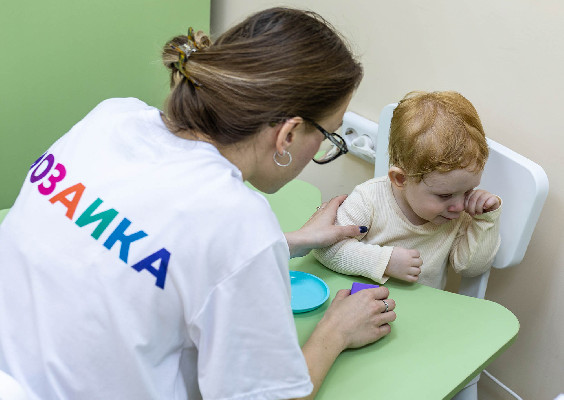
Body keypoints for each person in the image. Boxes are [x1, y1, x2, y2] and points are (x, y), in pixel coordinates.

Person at [0, 7, 396, 400]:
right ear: (288, 135)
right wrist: (336, 331)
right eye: (327, 135)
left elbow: (145, 245)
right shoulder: (238, 222)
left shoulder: (112, 118)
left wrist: (287, 243)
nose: (321, 149)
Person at [313, 91, 502, 290]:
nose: (460, 205)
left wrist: (485, 221)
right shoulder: (369, 199)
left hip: (421, 308)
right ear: (400, 179)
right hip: (363, 303)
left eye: (469, 191)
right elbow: (326, 249)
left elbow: (470, 269)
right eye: (444, 195)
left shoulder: (454, 213)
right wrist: (384, 261)